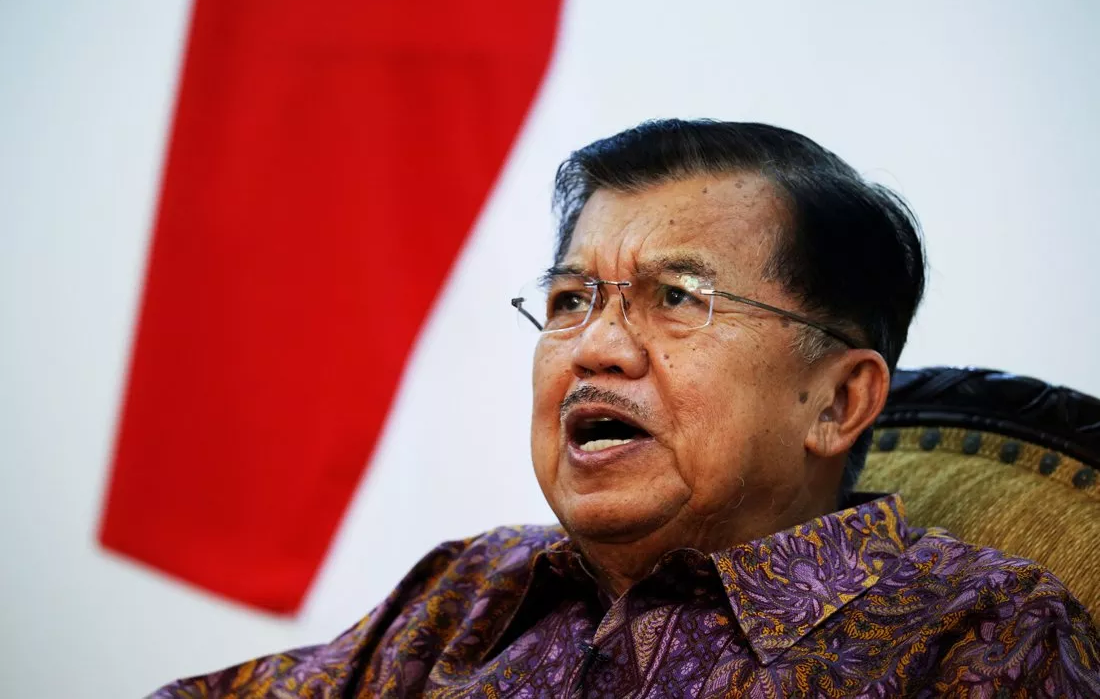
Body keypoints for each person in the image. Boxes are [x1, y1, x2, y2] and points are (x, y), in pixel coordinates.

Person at [154, 120, 1100, 698]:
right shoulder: (470, 590)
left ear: (839, 400)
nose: (595, 347)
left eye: (677, 297)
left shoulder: (978, 635)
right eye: (570, 300)